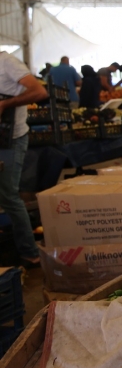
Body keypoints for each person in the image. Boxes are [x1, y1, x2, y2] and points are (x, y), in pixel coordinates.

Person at [0, 51, 49, 268]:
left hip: (11, 140)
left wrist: (5, 104)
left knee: (8, 195)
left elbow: (39, 91)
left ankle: (30, 252)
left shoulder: (7, 63)